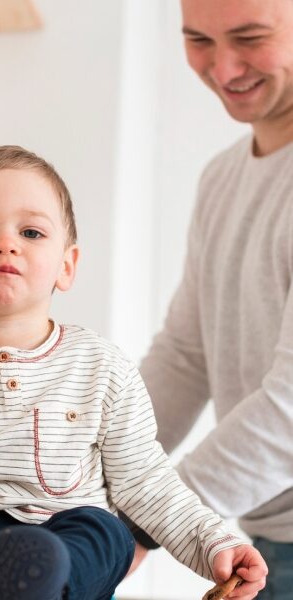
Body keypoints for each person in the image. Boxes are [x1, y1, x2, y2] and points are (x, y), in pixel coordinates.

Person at [0, 145, 267, 600]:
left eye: (31, 232)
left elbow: (146, 481)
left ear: (67, 266)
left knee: (107, 532)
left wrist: (213, 544)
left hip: (51, 545)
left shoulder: (103, 368)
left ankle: (33, 589)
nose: (5, 244)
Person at [127, 0, 293, 597]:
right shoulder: (221, 177)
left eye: (250, 37)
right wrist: (89, 467)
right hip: (269, 540)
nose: (223, 69)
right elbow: (185, 355)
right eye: (198, 40)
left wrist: (147, 520)